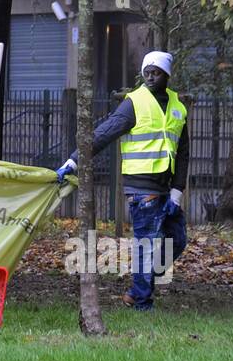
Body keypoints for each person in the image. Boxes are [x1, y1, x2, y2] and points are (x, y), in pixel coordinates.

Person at [53, 50, 189, 310]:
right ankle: (142, 301)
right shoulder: (133, 102)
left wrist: (177, 192)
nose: (149, 77)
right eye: (146, 72)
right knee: (147, 245)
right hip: (141, 187)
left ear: (167, 75)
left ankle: (140, 288)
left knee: (177, 240)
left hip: (166, 188)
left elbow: (183, 153)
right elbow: (103, 133)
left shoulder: (178, 107)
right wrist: (73, 160)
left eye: (156, 72)